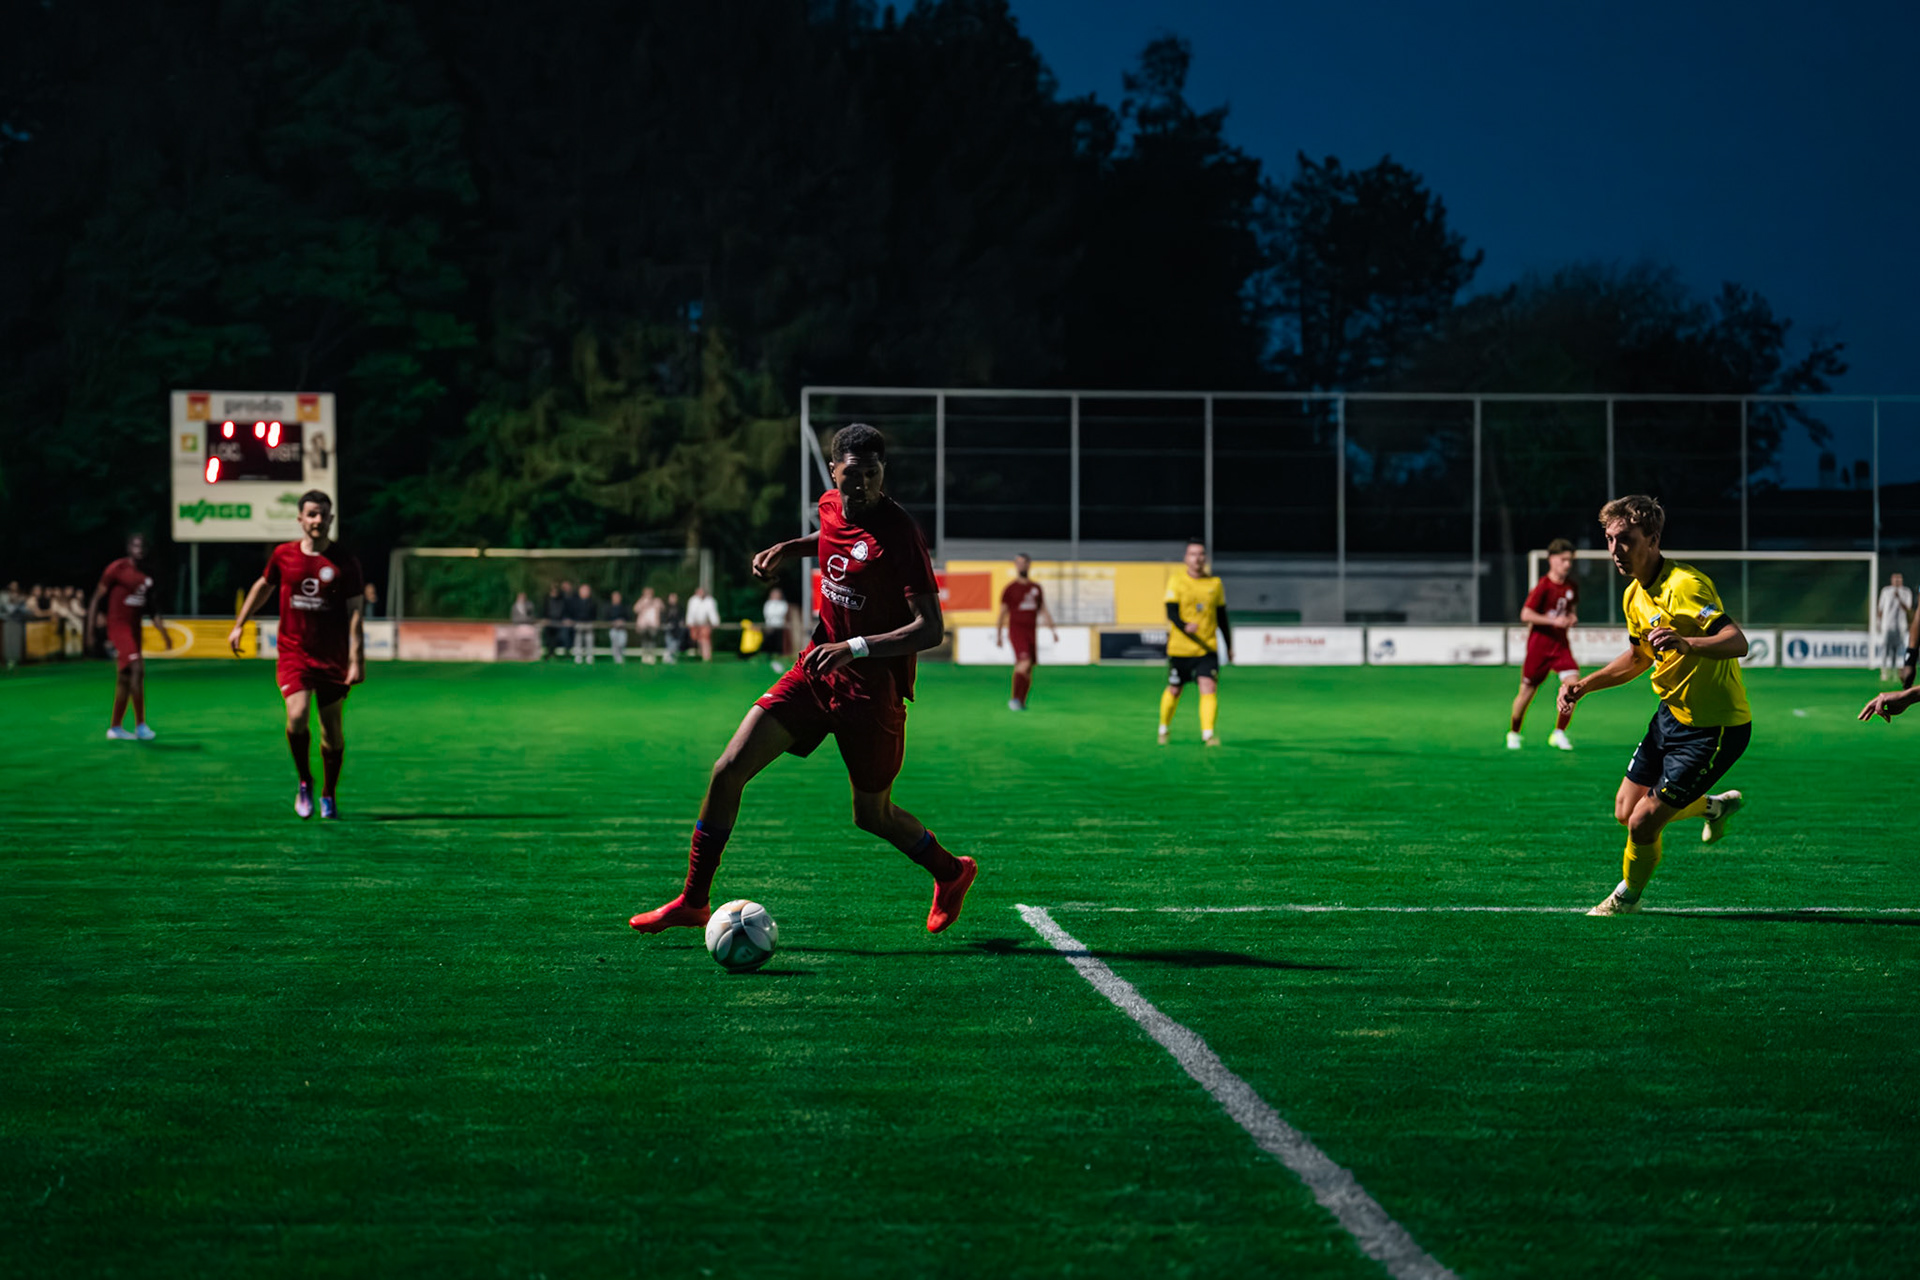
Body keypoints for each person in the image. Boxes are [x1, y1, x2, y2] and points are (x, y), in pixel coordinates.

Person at [629, 423, 977, 937]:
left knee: (872, 815)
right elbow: (832, 537)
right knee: (727, 770)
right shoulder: (830, 505)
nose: (863, 484)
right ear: (834, 471)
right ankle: (693, 901)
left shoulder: (901, 534)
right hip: (815, 670)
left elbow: (931, 629)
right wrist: (788, 549)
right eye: (852, 473)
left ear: (883, 473)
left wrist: (854, 647)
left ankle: (951, 872)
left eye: (873, 473)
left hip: (871, 692)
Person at [1558, 495, 1750, 917]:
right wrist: (1583, 685)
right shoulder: (1634, 597)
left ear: (1654, 539)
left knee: (1643, 822)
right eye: (1609, 540)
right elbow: (1639, 658)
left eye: (1624, 540)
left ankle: (1626, 898)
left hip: (1714, 728)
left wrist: (1688, 642)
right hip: (1669, 716)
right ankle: (1715, 806)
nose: (1614, 551)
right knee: (1625, 810)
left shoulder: (1686, 585)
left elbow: (1738, 642)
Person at [228, 491, 366, 819]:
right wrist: (239, 625)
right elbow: (263, 585)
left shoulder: (345, 562)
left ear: (331, 519)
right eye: (312, 514)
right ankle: (305, 780)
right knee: (297, 714)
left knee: (332, 733)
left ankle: (328, 793)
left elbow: (356, 611)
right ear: (300, 519)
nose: (317, 520)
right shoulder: (283, 555)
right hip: (294, 653)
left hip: (332, 657)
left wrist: (357, 658)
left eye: (323, 515)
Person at [87, 533, 172, 739]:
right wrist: (89, 631)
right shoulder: (117, 569)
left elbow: (152, 610)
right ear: (128, 548)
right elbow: (97, 598)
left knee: (125, 677)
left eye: (143, 545)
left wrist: (165, 634)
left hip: (134, 630)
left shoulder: (148, 576)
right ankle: (141, 725)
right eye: (135, 545)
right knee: (137, 667)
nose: (139, 548)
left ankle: (115, 728)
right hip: (118, 626)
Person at [1508, 537, 1581, 750]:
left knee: (1573, 686)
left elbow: (1571, 611)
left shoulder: (1571, 587)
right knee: (1526, 692)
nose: (1567, 564)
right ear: (1551, 559)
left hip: (1560, 645)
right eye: (1563, 559)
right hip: (1539, 646)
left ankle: (1559, 733)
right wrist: (1552, 620)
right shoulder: (1543, 586)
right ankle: (1514, 732)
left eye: (1570, 560)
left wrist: (1572, 618)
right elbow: (1525, 613)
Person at [1158, 538, 1232, 746]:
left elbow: (1222, 617)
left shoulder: (1215, 584)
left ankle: (1208, 734)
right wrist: (1184, 626)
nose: (1197, 558)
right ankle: (1163, 727)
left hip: (1207, 648)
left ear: (1205, 558)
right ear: (1186, 558)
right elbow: (1171, 612)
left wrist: (1229, 645)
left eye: (1201, 554)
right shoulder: (1176, 581)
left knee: (1208, 687)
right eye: (1193, 554)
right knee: (1174, 690)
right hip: (1180, 648)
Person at [996, 553, 1058, 710]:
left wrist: (1053, 630)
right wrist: (998, 634)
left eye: (1024, 562)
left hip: (1031, 633)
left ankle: (1022, 701)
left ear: (1029, 565)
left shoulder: (1036, 588)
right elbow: (1002, 613)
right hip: (1017, 631)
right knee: (1023, 663)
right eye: (1018, 563)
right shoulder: (1010, 589)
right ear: (1015, 565)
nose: (1021, 565)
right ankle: (1015, 699)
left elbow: (1043, 610)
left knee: (1028, 668)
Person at [1875, 572, 1913, 682]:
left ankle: (1895, 671)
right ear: (1891, 580)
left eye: (1899, 580)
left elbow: (1908, 608)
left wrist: (1899, 597)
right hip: (1887, 624)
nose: (1897, 582)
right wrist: (1878, 622)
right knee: (1885, 648)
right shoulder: (1886, 591)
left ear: (1902, 581)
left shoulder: (1906, 592)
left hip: (1900, 625)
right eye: (1895, 579)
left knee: (1897, 649)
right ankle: (1884, 671)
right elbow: (1880, 608)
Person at [686, 585, 720, 661]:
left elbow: (712, 612)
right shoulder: (692, 600)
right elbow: (690, 612)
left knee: (705, 639)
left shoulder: (710, 601)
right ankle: (701, 654)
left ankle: (706, 656)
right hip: (695, 624)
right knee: (696, 639)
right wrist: (690, 622)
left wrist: (715, 622)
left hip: (705, 624)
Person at [762, 586, 790, 673]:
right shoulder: (768, 603)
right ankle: (769, 657)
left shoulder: (783, 604)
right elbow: (768, 613)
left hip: (780, 626)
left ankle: (778, 657)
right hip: (770, 625)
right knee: (769, 641)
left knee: (779, 642)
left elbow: (781, 613)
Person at [570, 583, 600, 664]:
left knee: (589, 640)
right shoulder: (575, 602)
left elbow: (595, 613)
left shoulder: (592, 602)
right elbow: (573, 612)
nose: (585, 592)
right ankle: (578, 656)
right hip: (578, 622)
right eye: (583, 590)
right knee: (578, 640)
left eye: (586, 590)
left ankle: (589, 656)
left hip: (589, 623)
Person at [634, 587, 663, 663]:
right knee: (645, 640)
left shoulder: (656, 601)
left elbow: (662, 608)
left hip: (653, 625)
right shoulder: (641, 601)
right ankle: (645, 655)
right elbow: (635, 609)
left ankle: (651, 655)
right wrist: (644, 603)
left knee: (652, 640)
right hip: (643, 625)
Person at [544, 582, 568, 659]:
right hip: (549, 622)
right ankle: (549, 654)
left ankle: (562, 654)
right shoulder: (546, 599)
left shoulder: (561, 599)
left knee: (558, 638)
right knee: (548, 639)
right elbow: (543, 609)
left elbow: (564, 609)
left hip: (558, 621)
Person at [662, 592, 685, 663]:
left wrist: (681, 623)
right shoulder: (666, 608)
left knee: (676, 643)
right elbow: (663, 617)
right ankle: (668, 656)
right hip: (668, 628)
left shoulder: (680, 607)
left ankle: (669, 655)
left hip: (677, 629)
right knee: (669, 642)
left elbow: (682, 617)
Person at [608, 590, 629, 664]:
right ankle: (616, 658)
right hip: (613, 629)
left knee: (622, 643)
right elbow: (606, 618)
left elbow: (628, 617)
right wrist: (613, 622)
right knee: (614, 644)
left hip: (622, 629)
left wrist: (622, 621)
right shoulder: (609, 608)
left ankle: (621, 656)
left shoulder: (624, 607)